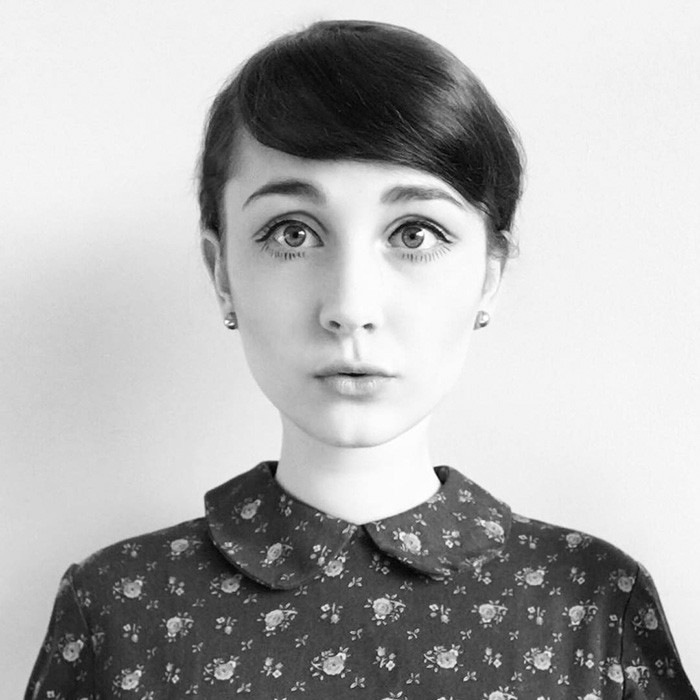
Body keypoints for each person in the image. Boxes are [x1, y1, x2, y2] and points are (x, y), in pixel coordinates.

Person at [25, 19, 697, 700]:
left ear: (489, 275)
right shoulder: (118, 608)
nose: (350, 306)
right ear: (221, 270)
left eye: (415, 233)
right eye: (293, 233)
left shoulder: (592, 603)